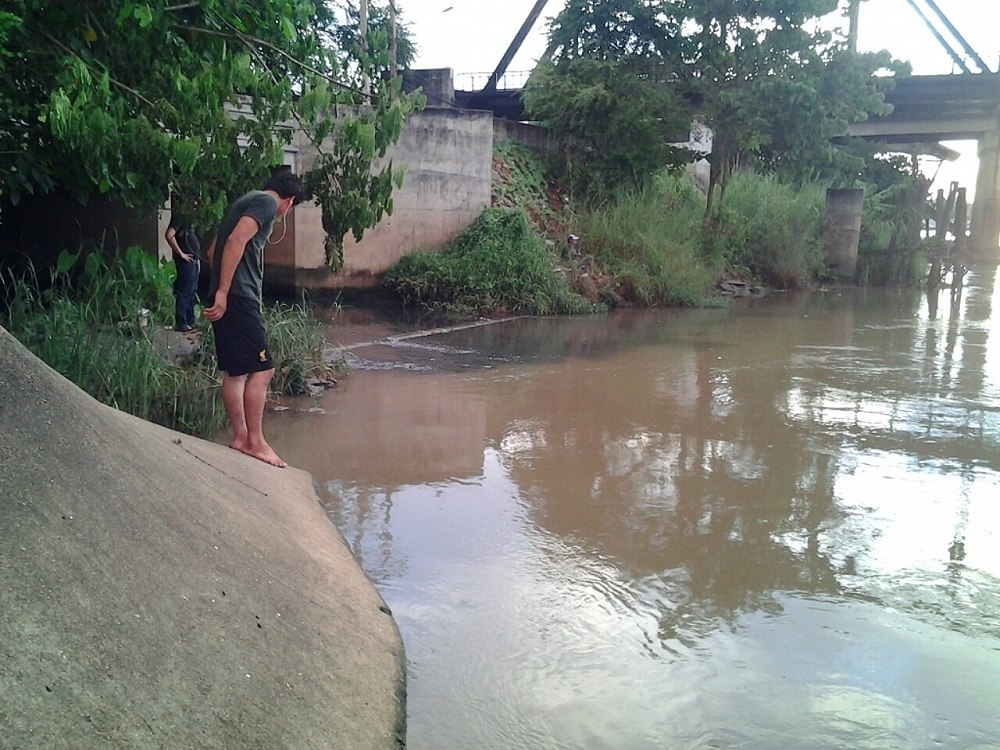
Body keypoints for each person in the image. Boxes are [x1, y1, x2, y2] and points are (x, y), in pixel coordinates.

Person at [203, 170, 306, 468]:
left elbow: (212, 251)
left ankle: (240, 437)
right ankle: (255, 442)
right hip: (239, 297)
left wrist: (219, 290)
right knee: (264, 369)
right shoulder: (266, 203)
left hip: (230, 295)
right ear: (289, 201)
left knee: (236, 371)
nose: (285, 213)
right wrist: (225, 291)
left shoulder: (247, 199)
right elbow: (236, 240)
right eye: (291, 208)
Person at [164, 203, 201, 333]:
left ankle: (190, 321)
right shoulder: (180, 218)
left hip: (193, 260)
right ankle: (181, 321)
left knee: (192, 291)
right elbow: (169, 235)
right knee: (185, 291)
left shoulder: (188, 221)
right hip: (186, 262)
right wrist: (181, 253)